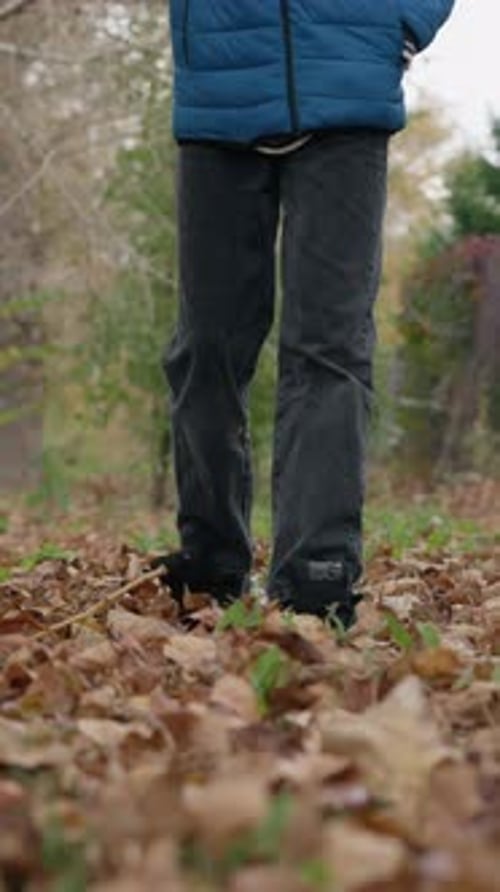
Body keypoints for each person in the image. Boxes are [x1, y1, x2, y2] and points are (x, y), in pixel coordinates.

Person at [155, 0, 455, 627]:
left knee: (328, 346)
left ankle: (317, 575)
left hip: (348, 81)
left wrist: (404, 23)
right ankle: (211, 562)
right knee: (205, 348)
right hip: (219, 86)